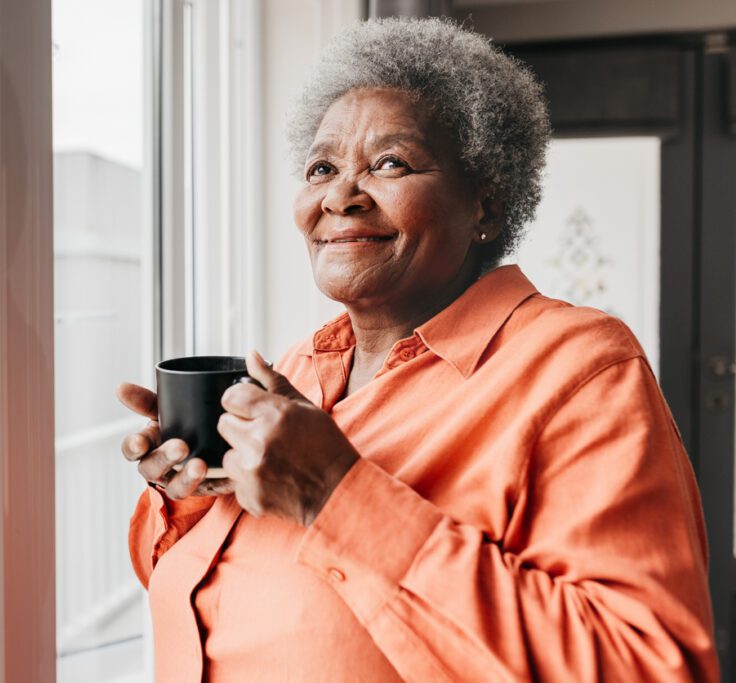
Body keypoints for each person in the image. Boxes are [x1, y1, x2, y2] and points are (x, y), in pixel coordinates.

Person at [116, 17, 718, 682]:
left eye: (390, 163)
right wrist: (194, 494)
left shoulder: (579, 369)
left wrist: (335, 493)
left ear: (484, 207)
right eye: (322, 167)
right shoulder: (294, 370)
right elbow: (191, 591)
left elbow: (646, 666)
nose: (340, 196)